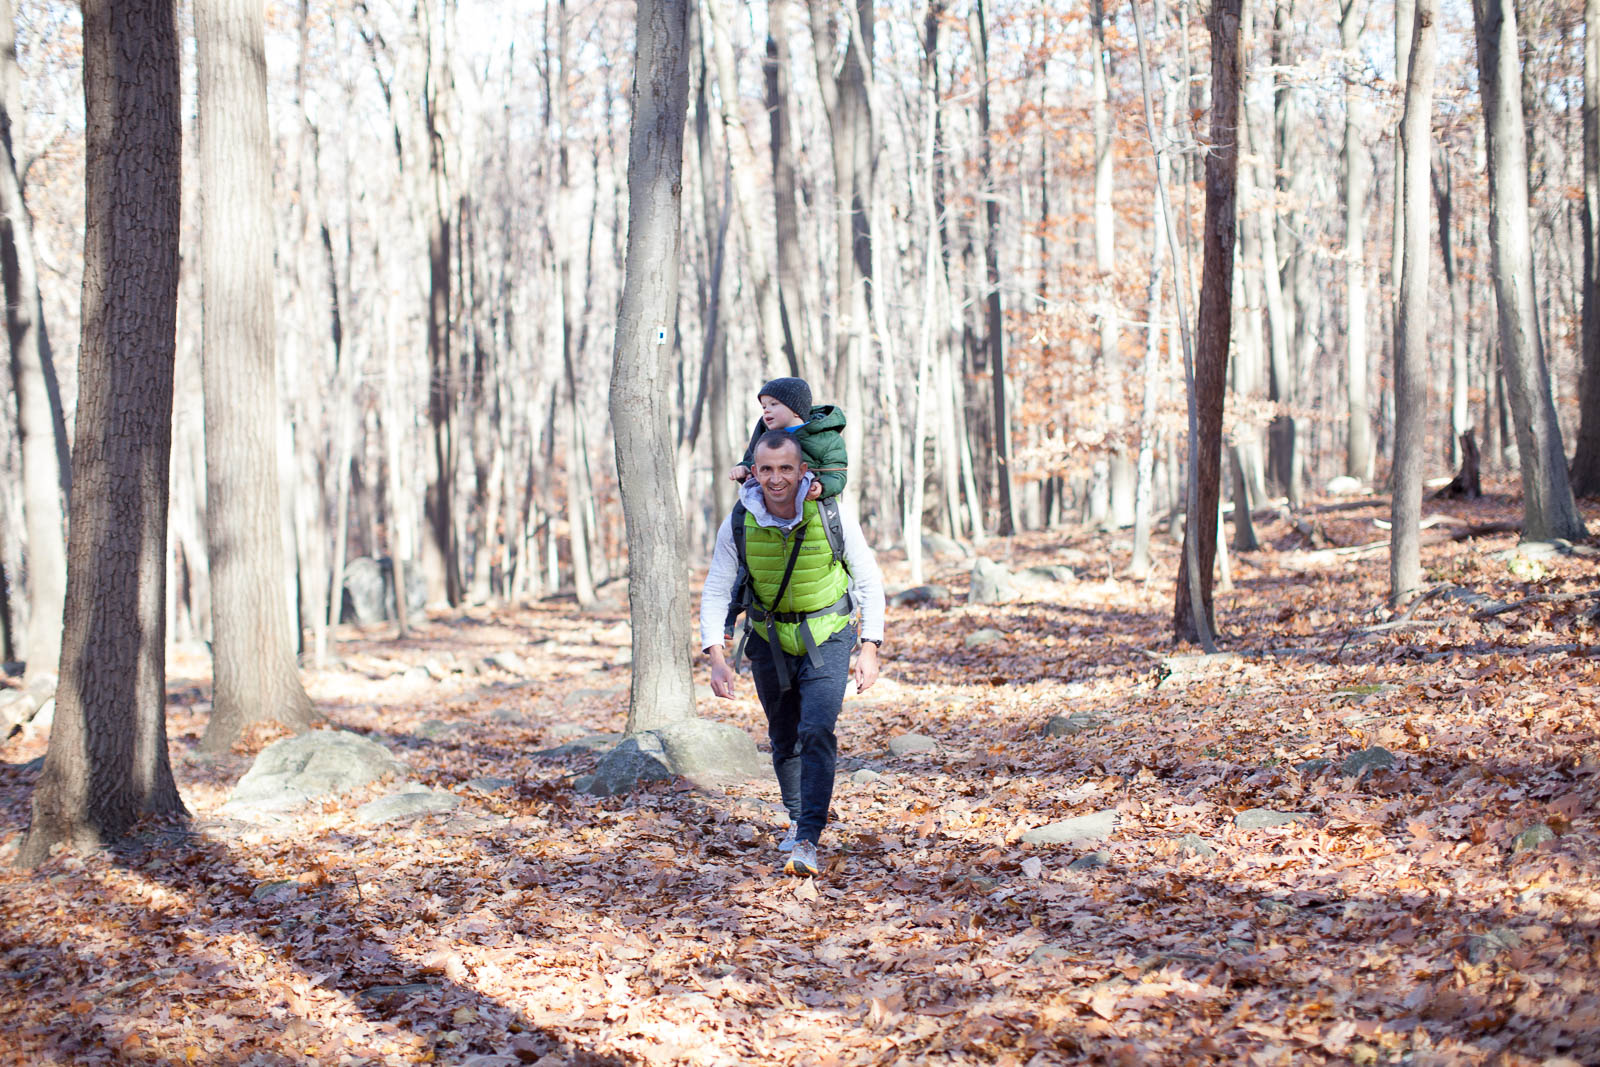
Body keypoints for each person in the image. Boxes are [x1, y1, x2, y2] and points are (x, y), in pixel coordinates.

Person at [701, 430, 884, 878]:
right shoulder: (740, 520)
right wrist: (715, 656)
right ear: (755, 471)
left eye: (786, 468)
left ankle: (807, 836)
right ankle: (796, 814)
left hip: (828, 635)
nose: (776, 478)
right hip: (768, 639)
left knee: (816, 730)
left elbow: (868, 579)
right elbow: (716, 587)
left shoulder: (831, 512)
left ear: (804, 470)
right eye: (767, 469)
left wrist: (870, 647)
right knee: (783, 738)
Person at [727, 377, 848, 503]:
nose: (766, 410)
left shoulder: (826, 437)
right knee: (738, 514)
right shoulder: (764, 437)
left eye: (773, 404)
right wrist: (744, 469)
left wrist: (821, 486)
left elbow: (837, 474)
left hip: (813, 502)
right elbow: (753, 463)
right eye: (764, 407)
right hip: (769, 503)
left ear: (795, 410)